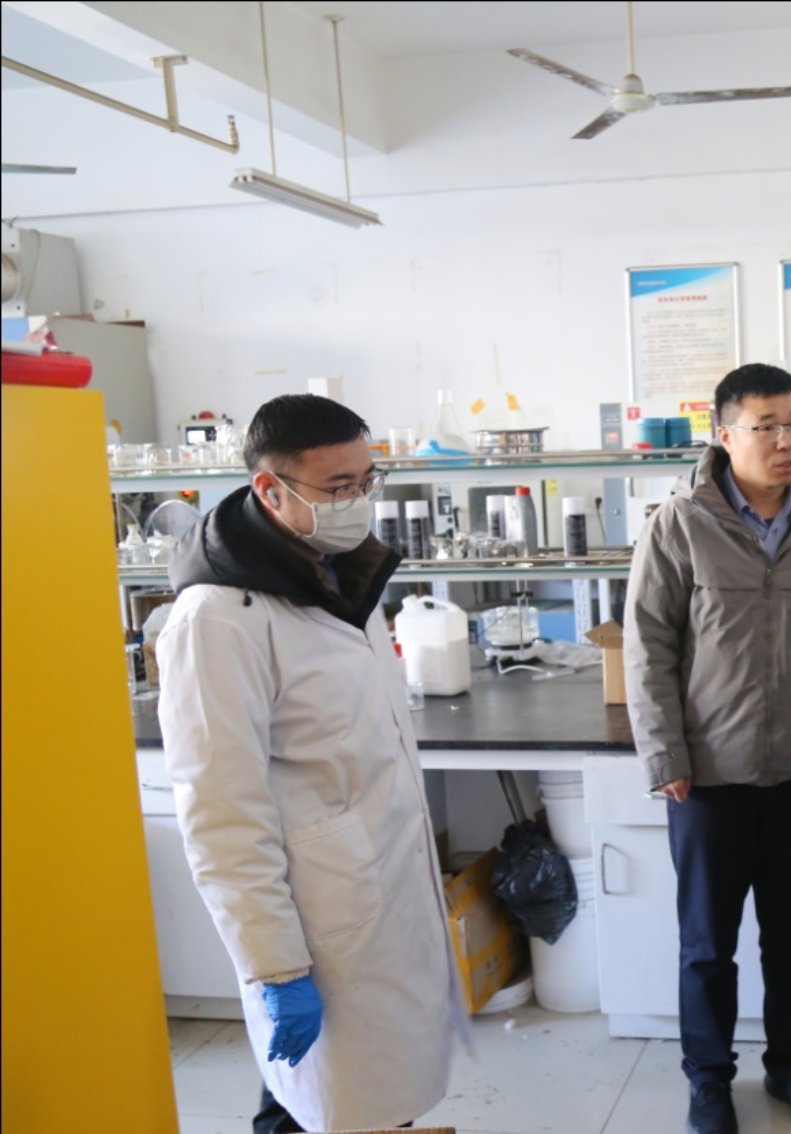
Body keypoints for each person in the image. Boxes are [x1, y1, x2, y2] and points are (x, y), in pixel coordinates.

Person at [157, 394, 462, 1134]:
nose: (359, 501)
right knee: (326, 1105)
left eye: (367, 480)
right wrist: (276, 968)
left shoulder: (338, 574)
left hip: (379, 891)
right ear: (270, 489)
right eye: (338, 487)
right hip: (320, 919)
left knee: (369, 1101)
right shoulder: (216, 619)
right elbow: (221, 815)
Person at [624, 363, 791, 1134]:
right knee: (708, 944)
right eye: (767, 426)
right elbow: (648, 647)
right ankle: (708, 1079)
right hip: (709, 776)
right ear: (724, 434)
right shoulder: (680, 524)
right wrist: (666, 755)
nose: (787, 440)